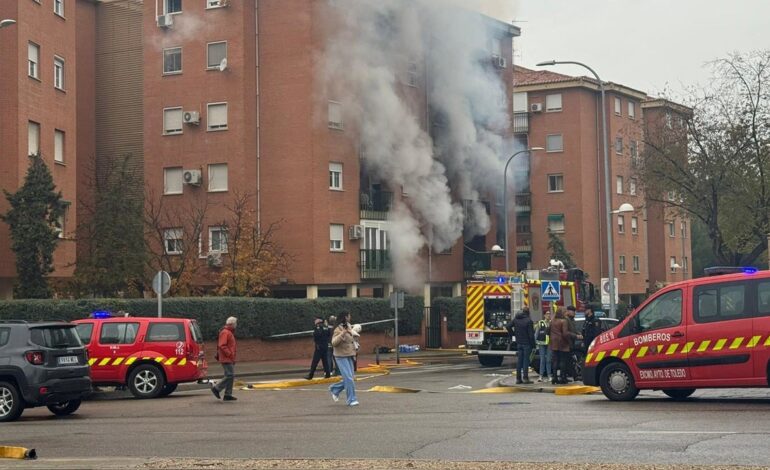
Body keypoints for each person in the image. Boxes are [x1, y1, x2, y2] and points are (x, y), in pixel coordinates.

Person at [329, 312, 359, 406]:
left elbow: (351, 339)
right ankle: (351, 400)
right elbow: (334, 342)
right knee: (349, 378)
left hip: (350, 354)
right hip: (340, 356)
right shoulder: (338, 328)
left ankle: (335, 389)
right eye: (349, 315)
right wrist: (342, 333)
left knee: (351, 378)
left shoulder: (349, 325)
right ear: (345, 317)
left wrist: (355, 338)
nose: (350, 317)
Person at [211, 316, 238, 401]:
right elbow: (222, 345)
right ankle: (217, 388)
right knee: (230, 375)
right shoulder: (226, 332)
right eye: (235, 323)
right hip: (226, 358)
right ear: (232, 324)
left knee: (229, 375)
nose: (236, 325)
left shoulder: (228, 332)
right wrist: (229, 354)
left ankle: (228, 395)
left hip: (229, 357)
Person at [549, 308, 576, 384]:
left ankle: (554, 377)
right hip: (562, 343)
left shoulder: (552, 321)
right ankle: (562, 377)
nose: (566, 313)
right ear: (562, 313)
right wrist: (574, 336)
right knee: (563, 360)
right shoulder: (564, 321)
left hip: (553, 343)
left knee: (555, 360)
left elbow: (547, 331)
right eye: (565, 312)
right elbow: (565, 333)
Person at [512, 307, 535, 384]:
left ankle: (518, 379)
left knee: (519, 361)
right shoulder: (529, 321)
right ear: (528, 312)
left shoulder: (516, 319)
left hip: (519, 343)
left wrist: (512, 334)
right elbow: (531, 335)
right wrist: (533, 345)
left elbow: (508, 326)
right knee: (526, 361)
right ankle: (525, 378)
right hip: (527, 344)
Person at [565, 306, 583, 381]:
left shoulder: (572, 320)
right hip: (566, 343)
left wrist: (580, 334)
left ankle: (573, 376)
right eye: (573, 311)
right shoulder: (566, 320)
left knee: (570, 361)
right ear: (568, 311)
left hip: (571, 343)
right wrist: (576, 336)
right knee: (568, 360)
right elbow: (567, 332)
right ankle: (571, 376)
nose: (574, 313)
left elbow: (574, 330)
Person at [534, 311, 552, 382]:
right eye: (547, 314)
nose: (548, 315)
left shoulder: (551, 323)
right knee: (542, 360)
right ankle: (540, 376)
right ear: (544, 315)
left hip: (549, 344)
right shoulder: (540, 323)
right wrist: (535, 343)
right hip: (541, 343)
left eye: (549, 314)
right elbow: (536, 333)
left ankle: (549, 375)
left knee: (548, 360)